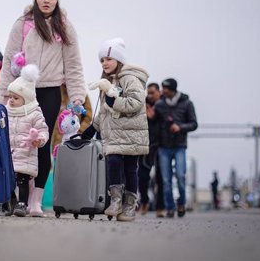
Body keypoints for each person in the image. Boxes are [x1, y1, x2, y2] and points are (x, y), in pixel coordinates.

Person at [0, 0, 86, 217]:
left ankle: (36, 200)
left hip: (49, 90)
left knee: (41, 141)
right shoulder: (23, 24)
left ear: (57, 1)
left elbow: (74, 63)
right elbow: (9, 58)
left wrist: (77, 95)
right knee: (18, 142)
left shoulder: (65, 26)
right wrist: (5, 91)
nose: (46, 1)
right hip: (22, 89)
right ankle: (18, 200)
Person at [80, 38, 149, 222]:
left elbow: (135, 102)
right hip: (114, 134)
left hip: (132, 132)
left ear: (119, 60)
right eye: (102, 60)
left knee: (130, 169)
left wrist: (113, 101)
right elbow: (104, 111)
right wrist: (88, 131)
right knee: (113, 163)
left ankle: (129, 205)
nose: (105, 63)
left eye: (109, 59)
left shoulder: (129, 78)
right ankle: (116, 200)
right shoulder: (107, 82)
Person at [5, 64, 49, 217]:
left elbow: (43, 130)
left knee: (22, 180)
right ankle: (11, 202)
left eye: (15, 98)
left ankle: (23, 203)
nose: (11, 100)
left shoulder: (34, 113)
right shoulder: (7, 111)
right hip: (9, 153)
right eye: (10, 97)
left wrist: (40, 139)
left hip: (26, 154)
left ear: (27, 98)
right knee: (9, 181)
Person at [153, 78, 198, 218]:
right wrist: (151, 117)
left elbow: (194, 124)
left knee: (180, 176)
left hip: (179, 146)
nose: (162, 91)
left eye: (165, 88)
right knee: (165, 180)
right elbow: (154, 124)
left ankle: (181, 204)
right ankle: (170, 207)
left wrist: (180, 127)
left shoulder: (187, 103)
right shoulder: (159, 105)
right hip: (163, 146)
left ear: (172, 89)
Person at [138, 83, 164, 217]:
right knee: (142, 177)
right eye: (148, 92)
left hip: (161, 146)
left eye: (153, 92)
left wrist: (155, 116)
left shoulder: (164, 105)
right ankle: (144, 201)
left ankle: (160, 207)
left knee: (161, 178)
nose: (150, 95)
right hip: (145, 145)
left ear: (159, 92)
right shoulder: (143, 104)